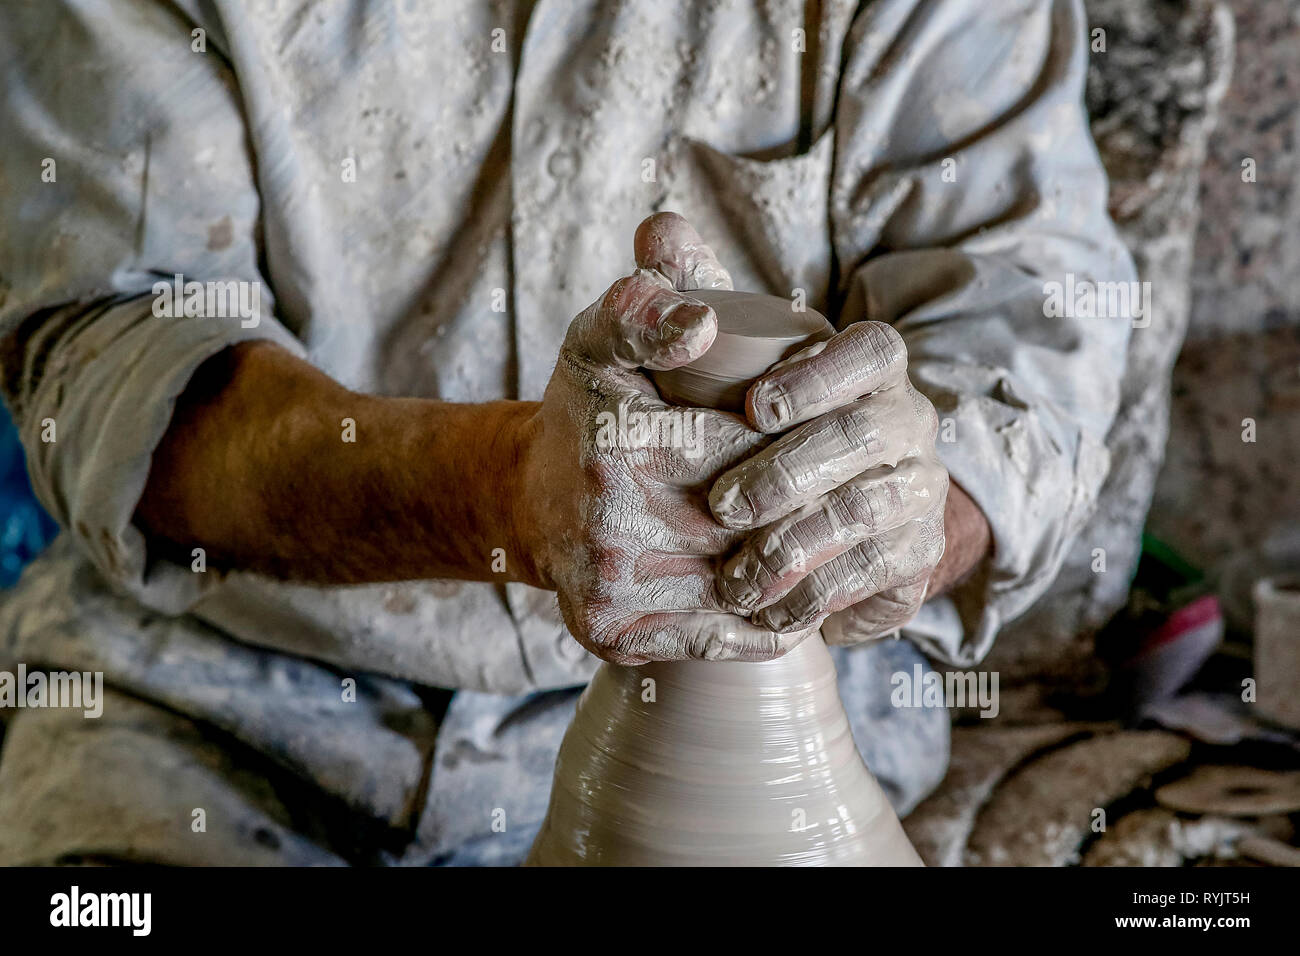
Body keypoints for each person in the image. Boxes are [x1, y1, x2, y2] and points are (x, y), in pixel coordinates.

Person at [0, 0, 1134, 865]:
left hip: (785, 714)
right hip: (222, 694)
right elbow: (104, 357)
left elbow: (1030, 314)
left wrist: (903, 511)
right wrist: (506, 494)